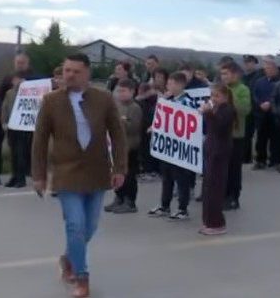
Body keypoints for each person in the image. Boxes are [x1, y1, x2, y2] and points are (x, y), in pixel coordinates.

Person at [31, 53, 128, 298]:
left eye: (75, 71)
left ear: (87, 74)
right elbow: (40, 140)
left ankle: (68, 258)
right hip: (66, 173)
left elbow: (118, 136)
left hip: (97, 172)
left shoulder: (103, 99)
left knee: (90, 227)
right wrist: (39, 175)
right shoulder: (51, 101)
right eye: (66, 70)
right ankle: (82, 277)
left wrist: (120, 168)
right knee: (75, 224)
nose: (69, 75)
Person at [147, 72, 196, 221]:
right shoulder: (169, 100)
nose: (168, 86)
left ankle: (183, 208)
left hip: (180, 148)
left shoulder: (187, 102)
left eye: (171, 83)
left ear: (180, 84)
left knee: (181, 179)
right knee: (167, 176)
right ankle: (165, 205)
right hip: (168, 147)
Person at [198, 84, 236, 236]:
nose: (214, 99)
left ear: (225, 97)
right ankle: (208, 221)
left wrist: (208, 113)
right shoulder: (216, 109)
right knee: (208, 187)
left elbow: (219, 126)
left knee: (215, 187)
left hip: (219, 152)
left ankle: (217, 222)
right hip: (211, 149)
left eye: (217, 96)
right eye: (212, 95)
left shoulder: (228, 110)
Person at [105, 79, 143, 214]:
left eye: (123, 91)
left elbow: (134, 127)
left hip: (130, 146)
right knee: (116, 173)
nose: (120, 94)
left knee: (129, 175)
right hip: (116, 146)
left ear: (132, 92)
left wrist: (120, 121)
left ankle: (130, 201)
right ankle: (119, 197)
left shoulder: (134, 108)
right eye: (118, 91)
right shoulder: (116, 105)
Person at [220, 62, 252, 210]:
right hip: (220, 134)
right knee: (222, 167)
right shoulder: (220, 90)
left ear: (235, 74)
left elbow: (245, 109)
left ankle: (234, 197)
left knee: (234, 168)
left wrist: (229, 97)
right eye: (222, 74)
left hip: (236, 135)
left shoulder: (243, 89)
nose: (223, 77)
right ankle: (223, 194)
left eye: (226, 74)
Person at [0, 72, 30, 188]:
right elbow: (5, 108)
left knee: (20, 152)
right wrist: (4, 122)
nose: (17, 82)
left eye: (20, 80)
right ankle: (14, 176)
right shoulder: (9, 93)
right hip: (11, 126)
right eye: (15, 80)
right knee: (13, 153)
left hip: (23, 126)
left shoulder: (27, 92)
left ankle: (21, 178)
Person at [252, 57, 280, 170]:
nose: (268, 70)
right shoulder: (259, 82)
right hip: (261, 114)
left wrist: (270, 103)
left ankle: (274, 161)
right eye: (266, 68)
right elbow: (255, 95)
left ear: (275, 68)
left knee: (275, 139)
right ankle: (260, 160)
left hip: (275, 114)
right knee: (261, 139)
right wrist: (260, 104)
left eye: (270, 68)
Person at [241, 55, 263, 165]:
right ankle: (246, 157)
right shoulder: (242, 77)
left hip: (258, 108)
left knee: (260, 134)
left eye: (250, 62)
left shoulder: (259, 76)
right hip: (247, 109)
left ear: (255, 63)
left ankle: (260, 158)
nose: (247, 64)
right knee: (246, 135)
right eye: (246, 62)